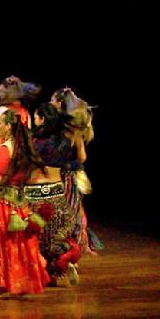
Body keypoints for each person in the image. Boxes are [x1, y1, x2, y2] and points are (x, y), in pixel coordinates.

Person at [0, 110, 50, 297]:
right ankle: (19, 283)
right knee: (17, 244)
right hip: (17, 204)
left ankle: (3, 286)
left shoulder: (5, 149)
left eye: (0, 123)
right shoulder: (21, 149)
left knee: (1, 244)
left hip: (1, 206)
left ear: (8, 126)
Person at [25, 103, 82, 286]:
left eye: (35, 118)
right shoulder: (64, 142)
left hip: (35, 197)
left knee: (35, 238)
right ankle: (63, 263)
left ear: (42, 119)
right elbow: (78, 161)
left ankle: (39, 274)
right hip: (58, 194)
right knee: (53, 239)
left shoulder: (34, 142)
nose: (34, 122)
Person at [50, 87, 102, 255]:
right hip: (61, 176)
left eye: (52, 100)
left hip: (62, 178)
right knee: (67, 214)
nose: (50, 103)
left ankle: (65, 251)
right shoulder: (63, 128)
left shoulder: (66, 129)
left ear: (59, 103)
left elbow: (81, 157)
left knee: (64, 215)